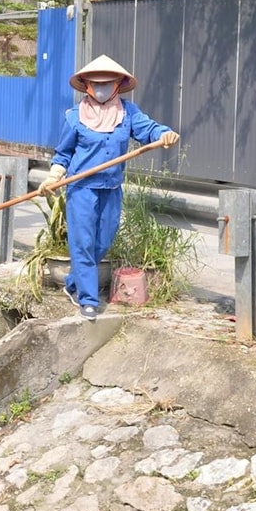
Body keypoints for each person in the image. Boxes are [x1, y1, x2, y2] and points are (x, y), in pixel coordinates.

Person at [40, 55, 179, 318]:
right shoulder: (74, 117)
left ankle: (73, 284)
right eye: (96, 83)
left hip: (111, 189)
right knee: (83, 244)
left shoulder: (128, 113)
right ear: (87, 85)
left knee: (102, 243)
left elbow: (148, 129)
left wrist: (164, 134)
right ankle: (88, 300)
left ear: (118, 85)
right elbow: (63, 154)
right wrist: (53, 177)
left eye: (107, 83)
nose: (102, 88)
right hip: (81, 188)